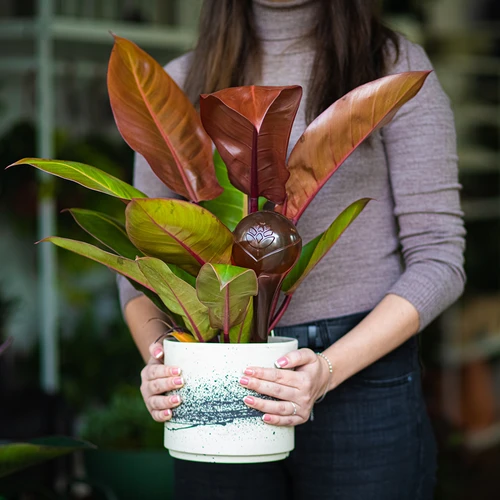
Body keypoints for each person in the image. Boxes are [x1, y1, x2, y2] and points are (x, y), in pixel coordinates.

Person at [117, 0, 466, 498]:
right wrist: (161, 361)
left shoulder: (393, 66)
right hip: (218, 365)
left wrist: (325, 371)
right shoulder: (171, 87)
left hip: (359, 372)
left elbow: (440, 257)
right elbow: (140, 265)